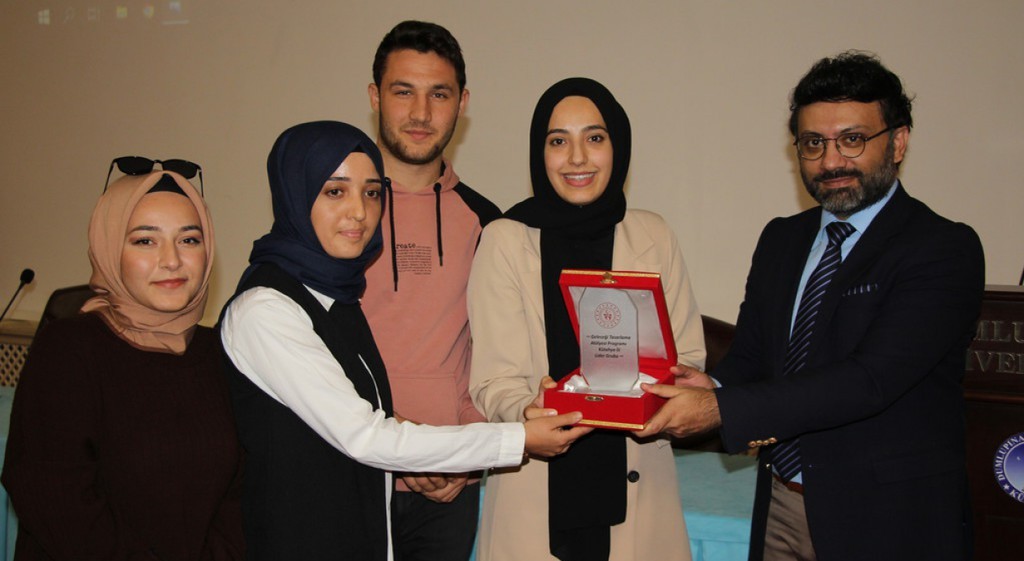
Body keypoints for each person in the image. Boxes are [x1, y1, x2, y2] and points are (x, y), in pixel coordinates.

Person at [636, 52, 985, 561]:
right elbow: (753, 356)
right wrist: (712, 385)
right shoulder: (782, 239)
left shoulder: (942, 248)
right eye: (813, 143)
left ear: (898, 141)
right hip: (780, 502)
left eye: (852, 139)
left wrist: (720, 409)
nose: (831, 161)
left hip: (889, 520)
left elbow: (869, 381)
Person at [219, 120, 590, 561]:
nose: (359, 211)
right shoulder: (266, 309)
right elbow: (365, 435)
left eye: (372, 192)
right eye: (335, 191)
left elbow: (366, 408)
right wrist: (519, 439)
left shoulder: (336, 294)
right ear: (295, 195)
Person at [468, 78, 706, 561]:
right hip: (535, 493)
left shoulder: (654, 234)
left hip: (641, 491)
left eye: (595, 138)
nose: (577, 158)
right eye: (558, 141)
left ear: (618, 146)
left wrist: (667, 394)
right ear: (540, 153)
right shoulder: (505, 240)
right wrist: (526, 412)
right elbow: (494, 379)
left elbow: (687, 357)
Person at [2, 164, 244, 560]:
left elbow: (240, 498)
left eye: (189, 239)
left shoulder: (222, 352)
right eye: (145, 241)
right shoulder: (67, 351)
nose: (172, 260)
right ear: (110, 248)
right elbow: (58, 504)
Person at [362, 20, 500, 561]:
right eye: (403, 92)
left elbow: (495, 358)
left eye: (438, 94)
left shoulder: (489, 224)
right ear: (375, 96)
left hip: (448, 486)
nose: (420, 113)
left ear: (462, 103)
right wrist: (398, 444)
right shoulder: (337, 214)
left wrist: (467, 455)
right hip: (348, 471)